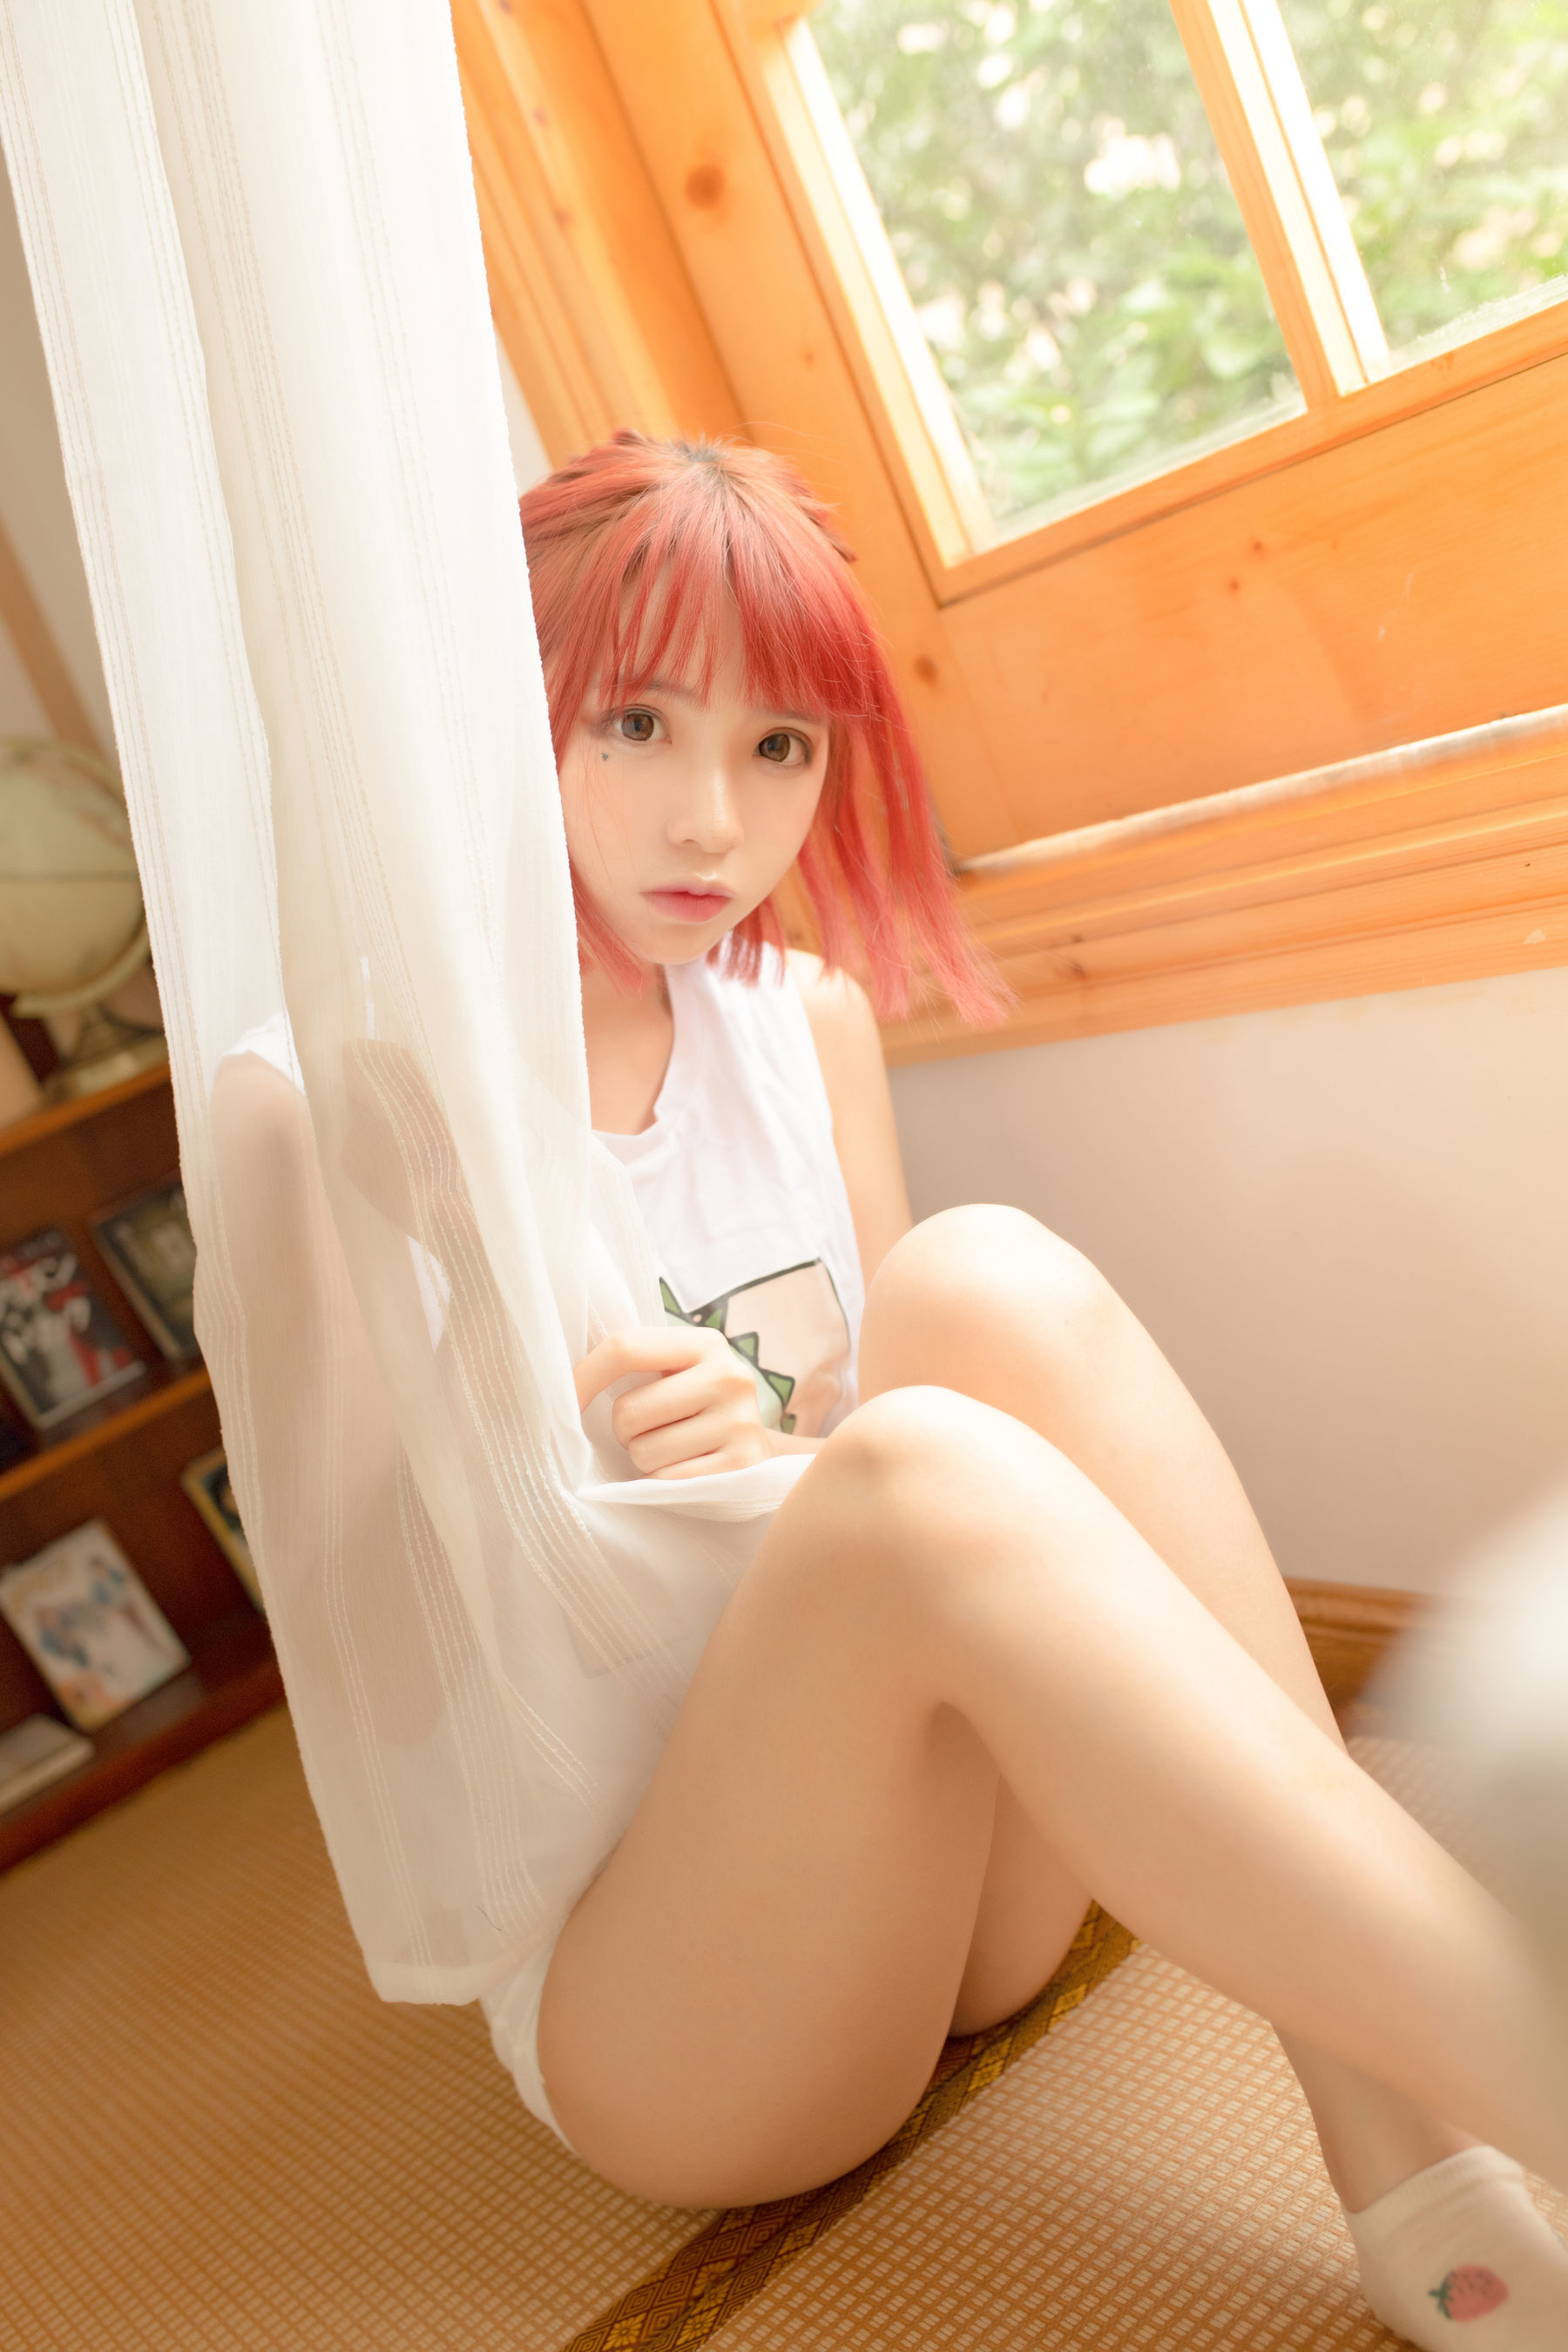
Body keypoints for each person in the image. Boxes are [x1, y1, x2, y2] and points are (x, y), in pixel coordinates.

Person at [489, 430, 1568, 2351]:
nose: (713, 821)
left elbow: (896, 1422)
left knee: (980, 1280)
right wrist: (725, 1477)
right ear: (514, 706)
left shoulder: (800, 1020)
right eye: (635, 723)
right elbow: (422, 1635)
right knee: (904, 1470)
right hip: (691, 2000)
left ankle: (1389, 2123)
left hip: (953, 1898)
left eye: (779, 745)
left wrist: (784, 1454)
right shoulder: (405, 1109)